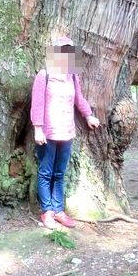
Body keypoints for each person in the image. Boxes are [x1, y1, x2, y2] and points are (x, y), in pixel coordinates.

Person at [30, 37, 100, 229]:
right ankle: (47, 212)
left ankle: (59, 210)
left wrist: (88, 116)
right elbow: (37, 104)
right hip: (48, 134)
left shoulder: (72, 76)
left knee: (59, 173)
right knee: (46, 173)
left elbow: (79, 99)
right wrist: (37, 128)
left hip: (67, 133)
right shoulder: (44, 75)